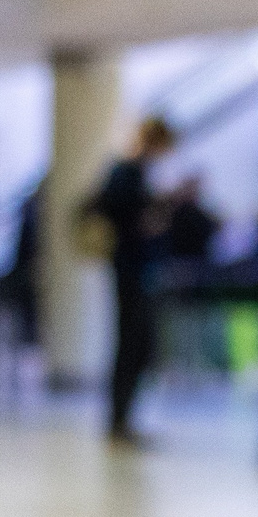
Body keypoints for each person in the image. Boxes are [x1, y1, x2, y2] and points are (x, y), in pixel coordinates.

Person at [90, 117, 175, 445]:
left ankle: (124, 418)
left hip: (139, 270)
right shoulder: (126, 171)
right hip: (130, 271)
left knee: (137, 345)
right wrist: (146, 218)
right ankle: (118, 419)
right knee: (131, 344)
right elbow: (115, 213)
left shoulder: (136, 172)